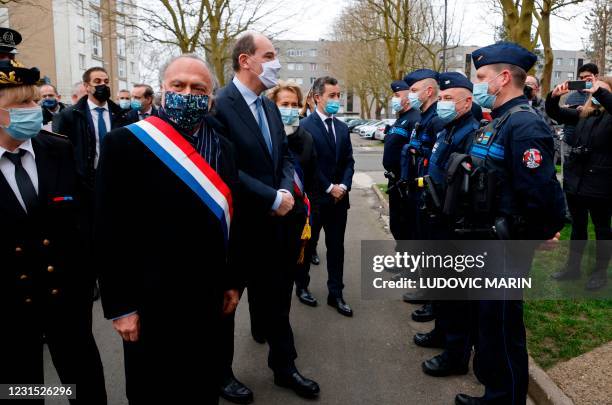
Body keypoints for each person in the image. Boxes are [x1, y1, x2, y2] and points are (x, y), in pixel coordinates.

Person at [95, 54, 240, 405]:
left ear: (210, 98)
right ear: (162, 90)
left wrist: (235, 281)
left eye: (198, 88)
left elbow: (237, 222)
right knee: (152, 392)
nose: (187, 94)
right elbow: (107, 228)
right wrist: (120, 306)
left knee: (202, 388)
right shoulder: (124, 143)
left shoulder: (224, 147)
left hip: (207, 300)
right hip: (149, 303)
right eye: (178, 86)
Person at [452, 42, 565, 405]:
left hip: (507, 244)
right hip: (487, 241)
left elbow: (539, 190)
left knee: (503, 327)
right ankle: (494, 392)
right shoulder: (498, 121)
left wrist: (540, 233)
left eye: (482, 77)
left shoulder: (524, 124)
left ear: (503, 78)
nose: (477, 84)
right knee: (489, 323)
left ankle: (506, 398)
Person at [215, 32, 319, 403]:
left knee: (277, 301)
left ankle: (284, 367)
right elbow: (223, 168)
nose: (276, 63)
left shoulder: (268, 105)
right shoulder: (220, 105)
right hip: (238, 230)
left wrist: (286, 188)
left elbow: (285, 156)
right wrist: (269, 196)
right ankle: (221, 373)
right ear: (246, 61)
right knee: (226, 304)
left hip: (276, 228)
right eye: (270, 55)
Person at [0, 59, 106, 405]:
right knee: (22, 389)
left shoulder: (57, 149)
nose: (35, 109)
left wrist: (90, 275)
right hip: (11, 309)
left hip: (67, 298)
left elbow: (85, 219)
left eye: (34, 101)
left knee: (83, 382)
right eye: (22, 104)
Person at [414, 72, 480, 379]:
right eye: (440, 98)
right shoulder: (447, 130)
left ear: (467, 102)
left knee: (457, 296)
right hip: (437, 218)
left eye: (449, 99)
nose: (443, 103)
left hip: (454, 224)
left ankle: (456, 354)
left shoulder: (471, 132)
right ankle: (441, 333)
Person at [546, 77, 612, 290]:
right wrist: (553, 97)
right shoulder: (587, 113)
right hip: (577, 181)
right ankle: (572, 268)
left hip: (601, 183)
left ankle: (600, 272)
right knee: (578, 227)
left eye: (600, 90)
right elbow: (556, 113)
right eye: (593, 90)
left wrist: (601, 92)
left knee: (602, 229)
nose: (594, 92)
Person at [300, 75, 355, 317]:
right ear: (317, 97)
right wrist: (328, 187)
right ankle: (301, 286)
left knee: (336, 248)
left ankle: (336, 293)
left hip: (338, 201)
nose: (336, 100)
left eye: (338, 95)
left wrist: (343, 185)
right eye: (332, 96)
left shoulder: (342, 127)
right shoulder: (304, 127)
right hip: (315, 199)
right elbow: (307, 165)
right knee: (307, 245)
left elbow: (349, 162)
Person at [268, 81, 321, 306]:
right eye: (284, 104)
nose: (290, 108)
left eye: (295, 104)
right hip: (270, 213)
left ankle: (299, 289)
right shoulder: (265, 136)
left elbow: (311, 173)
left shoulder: (306, 138)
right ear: (272, 106)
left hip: (298, 213)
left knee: (295, 263)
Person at [401, 69, 443, 321]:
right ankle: (426, 291)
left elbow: (436, 159)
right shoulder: (423, 118)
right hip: (418, 188)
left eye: (414, 90)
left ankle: (432, 301)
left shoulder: (436, 120)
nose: (410, 95)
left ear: (429, 91)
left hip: (429, 191)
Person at [383, 78, 421, 241]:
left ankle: (407, 262)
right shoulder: (401, 118)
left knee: (405, 224)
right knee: (397, 224)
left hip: (404, 180)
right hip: (394, 180)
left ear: (408, 97)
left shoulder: (415, 118)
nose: (394, 99)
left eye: (397, 95)